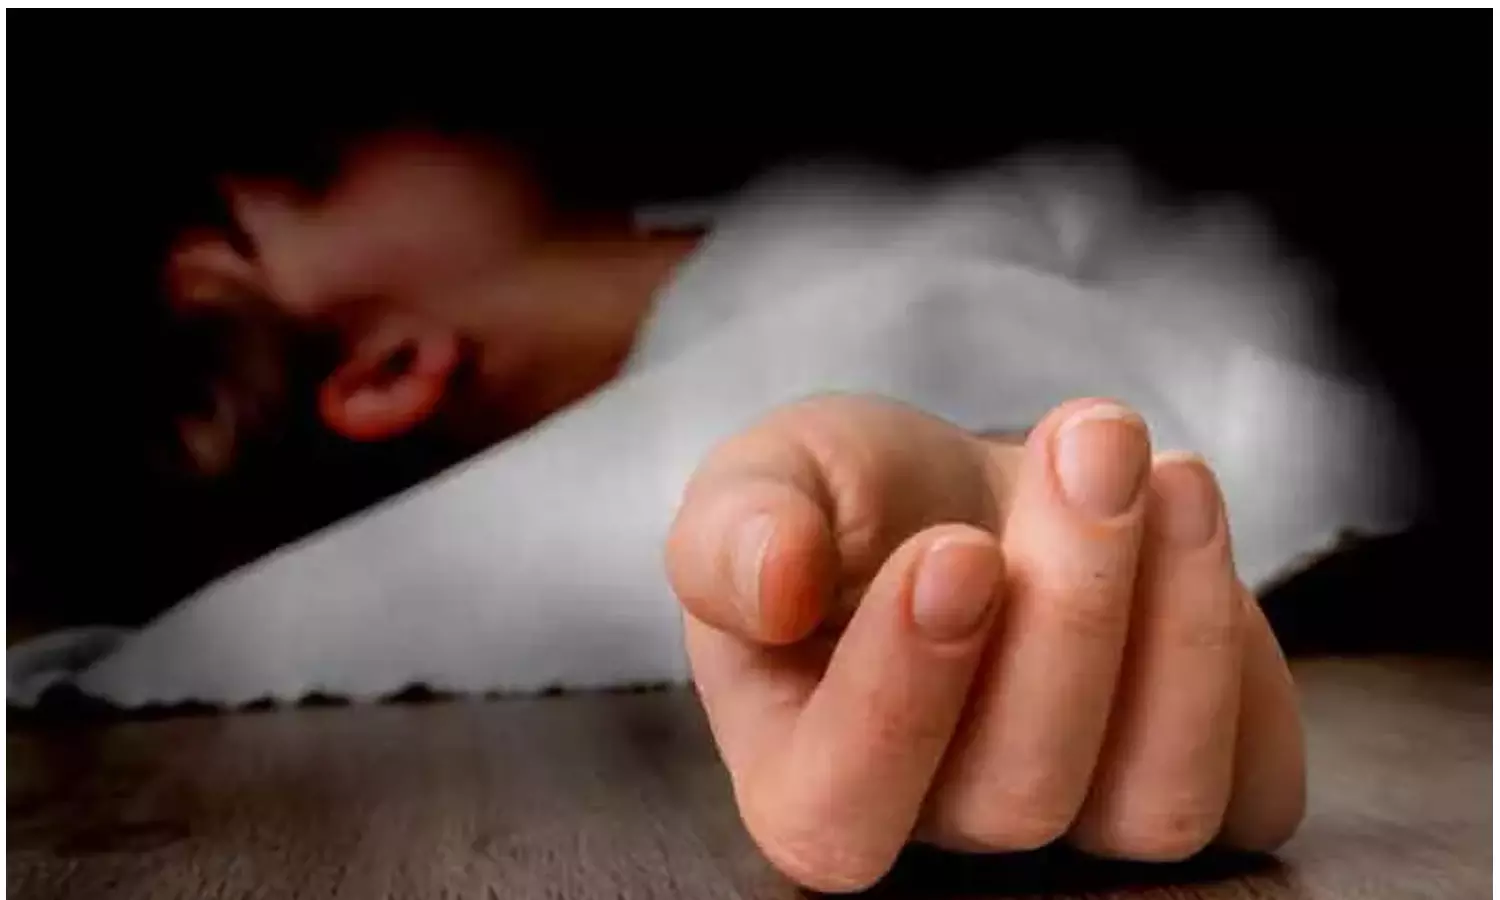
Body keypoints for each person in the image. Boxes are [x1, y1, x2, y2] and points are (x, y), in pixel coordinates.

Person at [11, 126, 1412, 892]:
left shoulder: (725, 202)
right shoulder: (778, 388)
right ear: (387, 372)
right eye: (294, 187)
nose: (304, 139)